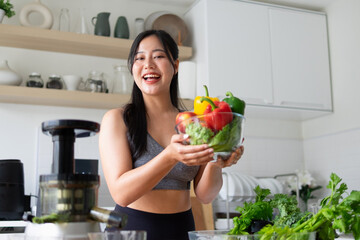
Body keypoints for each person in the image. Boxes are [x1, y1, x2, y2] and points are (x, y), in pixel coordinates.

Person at [99, 30, 244, 240]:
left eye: (158, 56)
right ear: (132, 68)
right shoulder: (117, 119)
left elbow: (205, 195)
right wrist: (169, 156)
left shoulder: (195, 122)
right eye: (139, 58)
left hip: (181, 228)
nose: (148, 64)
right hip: (130, 230)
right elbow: (121, 194)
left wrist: (216, 161)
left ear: (175, 66)